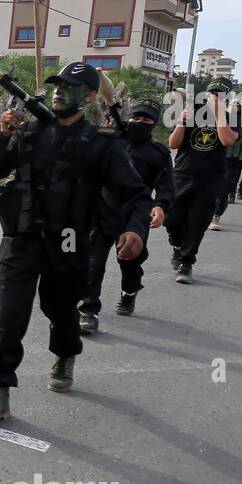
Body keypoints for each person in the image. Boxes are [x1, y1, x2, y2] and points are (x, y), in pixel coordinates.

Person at [0, 62, 150, 427]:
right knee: (8, 317)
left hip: (68, 242)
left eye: (69, 87)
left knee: (61, 311)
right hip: (21, 240)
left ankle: (65, 352)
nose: (58, 92)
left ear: (88, 96)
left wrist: (135, 229)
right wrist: (4, 135)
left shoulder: (102, 143)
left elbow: (135, 193)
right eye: (56, 86)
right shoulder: (30, 131)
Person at [78, 102, 173, 332]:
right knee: (93, 262)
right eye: (136, 118)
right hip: (102, 211)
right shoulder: (111, 143)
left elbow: (166, 185)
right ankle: (89, 310)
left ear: (154, 124)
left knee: (129, 262)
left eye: (146, 120)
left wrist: (160, 206)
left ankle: (129, 291)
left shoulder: (158, 153)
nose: (140, 123)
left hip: (134, 216)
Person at [166, 79, 240, 284]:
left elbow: (227, 140)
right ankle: (177, 245)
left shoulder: (232, 116)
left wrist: (218, 114)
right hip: (182, 173)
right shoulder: (192, 111)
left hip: (210, 178)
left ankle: (186, 263)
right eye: (212, 93)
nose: (215, 97)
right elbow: (173, 143)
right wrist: (181, 122)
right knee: (172, 219)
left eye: (220, 94)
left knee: (197, 222)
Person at [210, 103, 242, 229]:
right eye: (233, 107)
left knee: (224, 191)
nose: (236, 110)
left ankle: (216, 215)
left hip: (234, 163)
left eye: (238, 108)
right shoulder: (217, 121)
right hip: (215, 161)